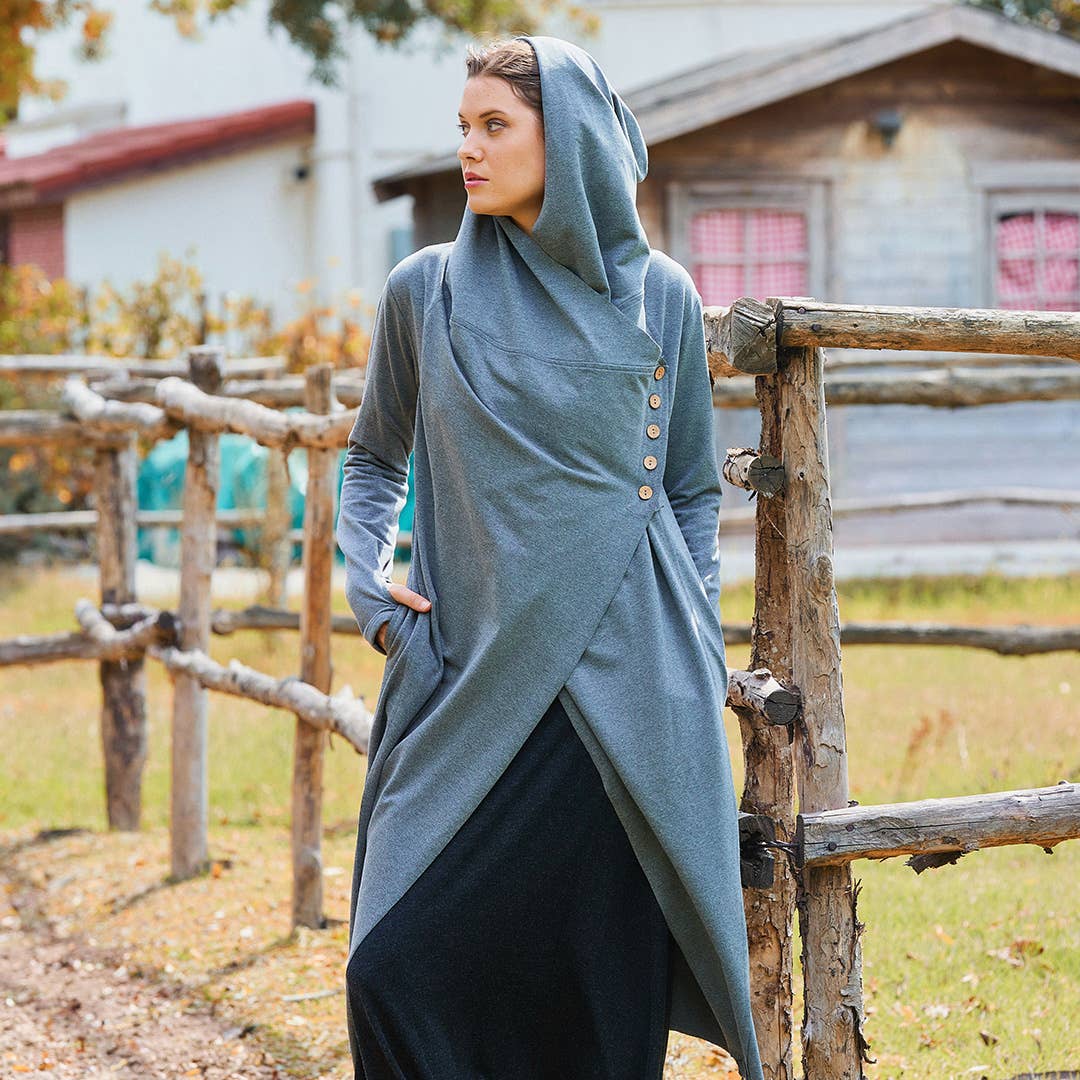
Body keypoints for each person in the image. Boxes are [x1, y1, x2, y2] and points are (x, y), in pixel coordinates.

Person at [336, 34, 766, 1080]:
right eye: (463, 127)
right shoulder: (426, 290)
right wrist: (371, 592)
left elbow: (690, 489)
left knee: (596, 996)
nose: (469, 150)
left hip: (629, 690)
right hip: (471, 677)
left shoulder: (660, 295)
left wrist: (695, 647)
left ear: (566, 138)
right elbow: (372, 458)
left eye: (496, 126)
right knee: (389, 967)